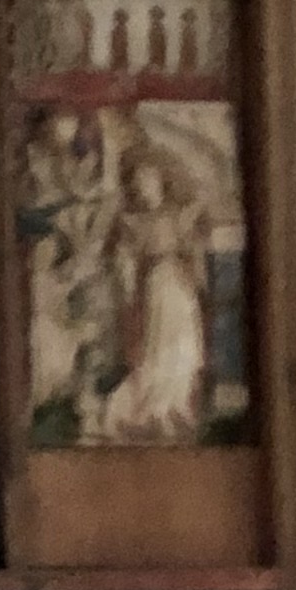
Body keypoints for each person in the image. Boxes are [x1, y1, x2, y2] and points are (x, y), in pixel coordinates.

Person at [95, 145, 217, 443]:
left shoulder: (178, 215)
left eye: (148, 180)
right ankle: (156, 411)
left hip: (179, 289)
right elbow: (116, 253)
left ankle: (176, 409)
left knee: (185, 350)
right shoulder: (134, 221)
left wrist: (191, 260)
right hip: (155, 290)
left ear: (161, 180)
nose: (144, 188)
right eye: (138, 183)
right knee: (157, 351)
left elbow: (195, 241)